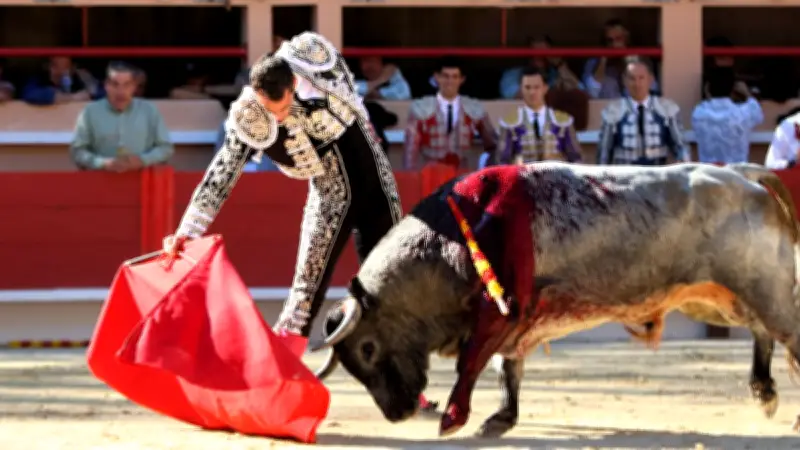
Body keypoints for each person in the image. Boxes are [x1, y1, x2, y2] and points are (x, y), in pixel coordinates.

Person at [161, 31, 439, 412]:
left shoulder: (316, 57)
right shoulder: (250, 112)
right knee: (304, 294)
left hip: (374, 178)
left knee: (392, 292)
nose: (276, 116)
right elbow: (222, 173)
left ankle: (407, 388)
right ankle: (267, 388)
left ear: (293, 84)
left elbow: (357, 115)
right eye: (268, 108)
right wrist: (186, 231)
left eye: (281, 106)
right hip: (330, 191)